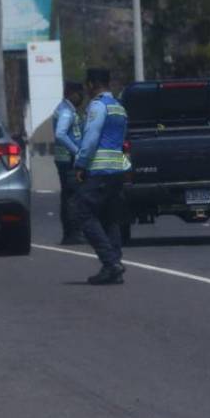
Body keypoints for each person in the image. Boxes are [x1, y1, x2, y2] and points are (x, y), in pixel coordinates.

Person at [74, 68, 131, 285]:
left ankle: (110, 262)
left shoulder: (97, 106)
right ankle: (114, 265)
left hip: (99, 170)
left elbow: (91, 138)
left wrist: (80, 163)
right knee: (110, 217)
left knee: (82, 212)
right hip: (117, 170)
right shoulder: (119, 107)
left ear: (91, 84)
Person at [52, 80, 85, 244]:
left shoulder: (67, 109)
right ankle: (73, 234)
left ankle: (71, 233)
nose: (82, 97)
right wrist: (76, 151)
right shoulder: (66, 111)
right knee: (73, 197)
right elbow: (60, 134)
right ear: (71, 93)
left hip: (64, 159)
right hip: (69, 160)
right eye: (79, 94)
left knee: (68, 197)